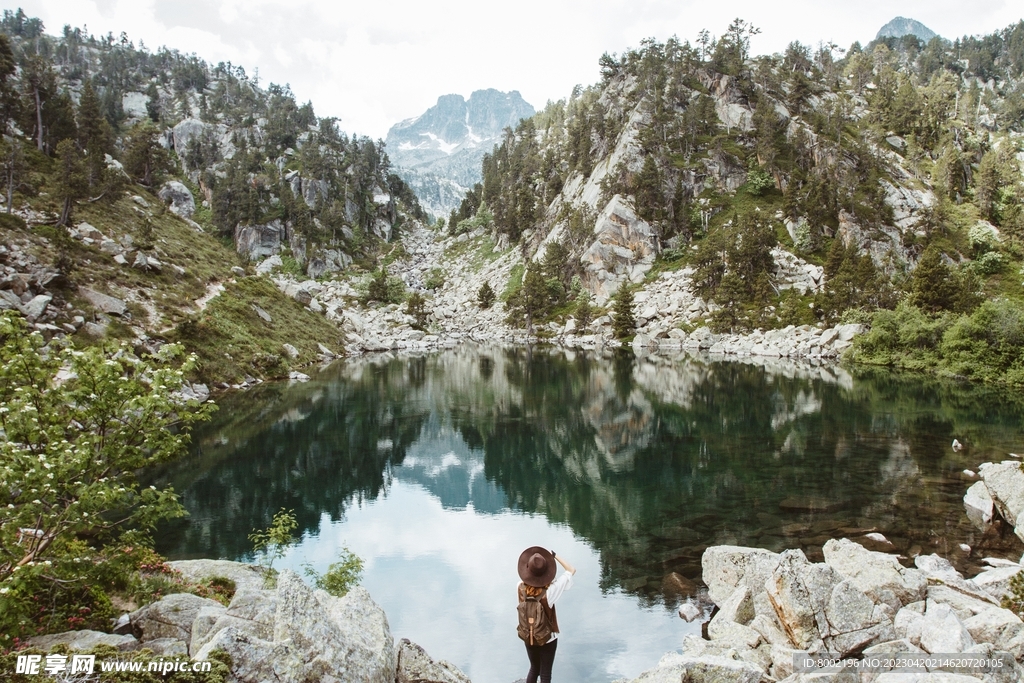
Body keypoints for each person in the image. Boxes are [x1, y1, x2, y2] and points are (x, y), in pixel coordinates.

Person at [517, 546, 576, 683]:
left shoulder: (519, 587)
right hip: (547, 637)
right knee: (545, 673)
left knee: (534, 668)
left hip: (528, 635)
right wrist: (554, 556)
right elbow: (571, 570)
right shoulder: (550, 592)